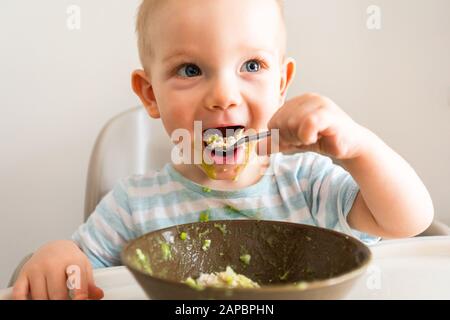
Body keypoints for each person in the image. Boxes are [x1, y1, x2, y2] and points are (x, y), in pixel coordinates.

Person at [12, 0, 433, 300]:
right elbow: (78, 270)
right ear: (150, 93)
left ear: (281, 83)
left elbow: (409, 221)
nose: (224, 96)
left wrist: (357, 147)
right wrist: (57, 255)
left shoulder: (309, 184)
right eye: (190, 70)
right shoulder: (132, 208)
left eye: (251, 66)